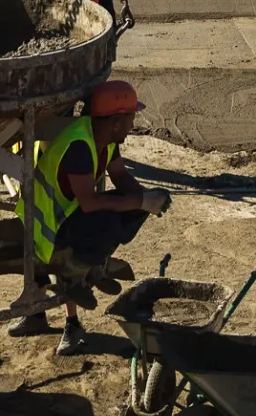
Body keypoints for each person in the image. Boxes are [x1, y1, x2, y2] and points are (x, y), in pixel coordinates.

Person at [11, 78, 165, 353]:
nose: (134, 124)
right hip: (46, 227)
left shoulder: (105, 138)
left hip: (68, 216)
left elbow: (119, 175)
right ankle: (75, 275)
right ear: (115, 121)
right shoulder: (80, 147)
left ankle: (91, 265)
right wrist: (140, 201)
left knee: (130, 208)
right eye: (131, 118)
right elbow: (91, 202)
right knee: (108, 221)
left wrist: (149, 200)